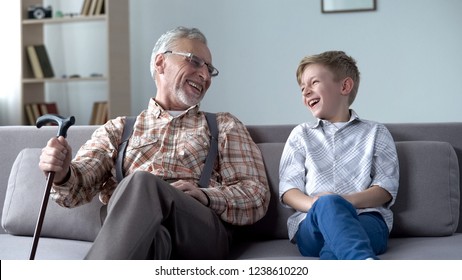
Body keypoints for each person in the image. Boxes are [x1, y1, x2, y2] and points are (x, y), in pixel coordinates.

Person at [39, 26, 270, 260]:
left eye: (210, 70)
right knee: (155, 239)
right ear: (160, 63)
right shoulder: (118, 129)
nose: (206, 75)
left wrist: (207, 196)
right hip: (134, 230)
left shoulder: (223, 125)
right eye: (196, 62)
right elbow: (75, 190)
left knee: (141, 182)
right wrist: (62, 172)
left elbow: (256, 195)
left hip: (198, 229)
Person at [278, 51, 399, 260]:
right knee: (329, 208)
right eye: (302, 88)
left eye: (314, 82)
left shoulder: (376, 132)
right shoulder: (300, 134)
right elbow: (288, 190)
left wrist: (342, 202)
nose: (306, 91)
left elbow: (385, 188)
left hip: (366, 219)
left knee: (340, 241)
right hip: (311, 224)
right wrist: (322, 206)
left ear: (344, 87)